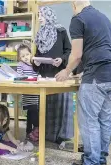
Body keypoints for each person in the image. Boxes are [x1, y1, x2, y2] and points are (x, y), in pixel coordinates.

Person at [55, 1, 111, 165]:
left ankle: (91, 161)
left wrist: (66, 71)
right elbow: (102, 49)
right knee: (104, 119)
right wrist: (84, 72)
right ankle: (100, 159)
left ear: (74, 4)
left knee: (89, 121)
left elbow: (76, 54)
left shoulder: (78, 18)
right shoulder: (103, 17)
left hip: (97, 78)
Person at [33, 6, 73, 145]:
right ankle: (47, 135)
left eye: (42, 15)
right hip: (45, 76)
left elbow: (69, 51)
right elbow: (37, 55)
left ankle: (62, 136)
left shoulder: (61, 31)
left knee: (60, 105)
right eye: (38, 16)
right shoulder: (40, 34)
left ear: (49, 15)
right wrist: (36, 62)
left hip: (59, 76)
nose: (40, 18)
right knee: (47, 106)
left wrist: (62, 59)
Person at [16, 42, 39, 142]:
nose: (25, 57)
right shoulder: (20, 65)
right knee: (30, 112)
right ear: (19, 58)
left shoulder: (35, 63)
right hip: (27, 93)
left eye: (27, 54)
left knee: (33, 112)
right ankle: (30, 131)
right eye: (22, 56)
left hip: (36, 93)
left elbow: (38, 74)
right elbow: (19, 76)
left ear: (31, 54)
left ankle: (32, 132)